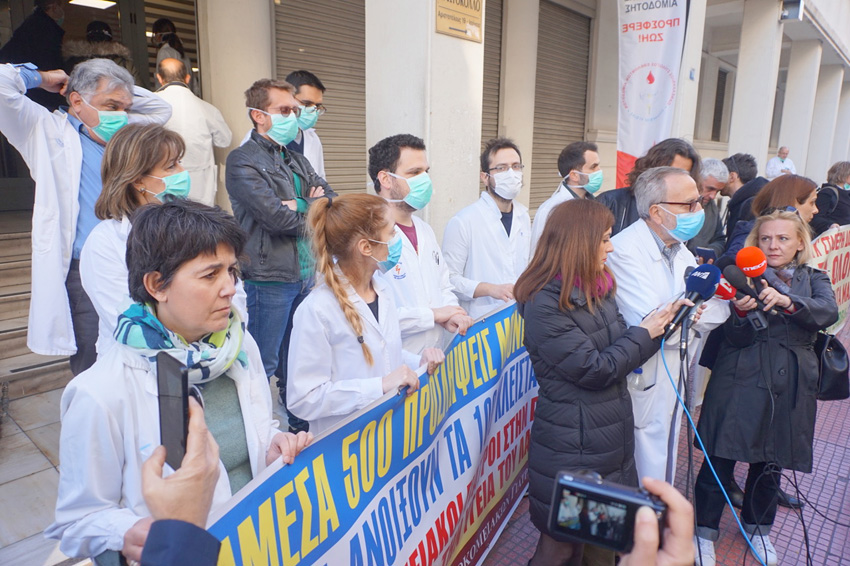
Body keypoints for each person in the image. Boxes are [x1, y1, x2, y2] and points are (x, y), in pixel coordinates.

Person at [46, 199, 313, 562]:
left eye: (232, 271)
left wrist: (274, 444)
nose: (230, 288)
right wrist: (132, 533)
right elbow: (79, 522)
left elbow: (258, 428)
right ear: (157, 285)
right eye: (209, 275)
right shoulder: (100, 392)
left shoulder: (238, 346)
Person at [515, 198, 680, 566]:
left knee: (598, 545)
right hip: (573, 446)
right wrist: (645, 333)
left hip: (606, 441)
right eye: (604, 239)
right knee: (560, 547)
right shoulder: (545, 303)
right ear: (578, 243)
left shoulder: (597, 287)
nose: (611, 246)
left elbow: (618, 348)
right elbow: (595, 370)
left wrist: (659, 325)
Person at [0, 58, 171, 374]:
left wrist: (118, 93)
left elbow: (162, 109)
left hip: (138, 261)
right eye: (111, 104)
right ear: (77, 101)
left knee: (144, 355)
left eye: (124, 106)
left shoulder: (125, 132)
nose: (119, 114)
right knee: (94, 364)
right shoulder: (44, 129)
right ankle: (92, 419)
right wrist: (43, 77)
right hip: (85, 273)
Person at [694, 209, 837, 566]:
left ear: (800, 243)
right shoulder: (737, 277)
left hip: (788, 381)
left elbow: (827, 313)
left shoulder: (813, 278)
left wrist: (788, 301)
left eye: (783, 238)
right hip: (738, 376)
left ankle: (758, 530)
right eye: (766, 238)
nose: (773, 246)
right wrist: (740, 313)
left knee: (771, 463)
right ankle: (703, 533)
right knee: (718, 458)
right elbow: (734, 338)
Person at [80, 123, 247, 357]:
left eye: (180, 162)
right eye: (171, 166)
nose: (182, 171)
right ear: (137, 179)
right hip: (144, 367)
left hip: (219, 355)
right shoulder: (105, 242)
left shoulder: (199, 226)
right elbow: (126, 317)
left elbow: (235, 298)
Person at [226, 77, 336, 432]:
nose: (294, 116)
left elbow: (330, 201)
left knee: (298, 361)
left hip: (304, 274)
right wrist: (311, 203)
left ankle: (299, 429)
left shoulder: (295, 159)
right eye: (285, 110)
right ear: (258, 116)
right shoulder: (243, 161)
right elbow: (275, 218)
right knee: (263, 364)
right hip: (268, 277)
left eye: (295, 109)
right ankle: (257, 437)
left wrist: (302, 204)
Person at [606, 167, 727, 483]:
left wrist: (690, 314)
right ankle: (645, 528)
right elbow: (657, 326)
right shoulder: (623, 251)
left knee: (664, 459)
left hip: (674, 376)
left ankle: (658, 524)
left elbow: (715, 311)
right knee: (641, 466)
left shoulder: (681, 251)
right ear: (657, 212)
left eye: (699, 202)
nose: (698, 211)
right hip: (647, 377)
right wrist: (690, 315)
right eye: (689, 204)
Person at [287, 194, 445, 435]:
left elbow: (385, 353)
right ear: (365, 247)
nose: (396, 240)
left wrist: (418, 361)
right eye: (392, 233)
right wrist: (378, 387)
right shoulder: (317, 309)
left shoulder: (383, 291)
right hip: (345, 448)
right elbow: (304, 398)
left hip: (386, 439)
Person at [370, 134, 473, 354]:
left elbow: (443, 285)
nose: (425, 180)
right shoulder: (365, 237)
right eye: (415, 173)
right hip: (392, 368)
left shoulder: (424, 230)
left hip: (432, 362)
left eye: (426, 172)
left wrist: (451, 314)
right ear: (386, 179)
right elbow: (369, 316)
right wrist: (433, 315)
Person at [442, 137, 531, 320]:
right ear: (485, 177)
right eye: (501, 168)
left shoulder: (523, 217)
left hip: (517, 321)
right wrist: (490, 289)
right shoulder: (464, 221)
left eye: (516, 166)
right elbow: (448, 279)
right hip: (481, 324)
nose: (511, 174)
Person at [156, 57, 232, 206]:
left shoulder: (150, 106)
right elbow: (225, 140)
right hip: (200, 185)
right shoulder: (206, 108)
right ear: (188, 78)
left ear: (159, 78)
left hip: (162, 180)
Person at [598, 139, 702, 236]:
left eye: (684, 174)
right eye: (672, 172)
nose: (678, 179)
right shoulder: (610, 202)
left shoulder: (687, 214)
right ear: (652, 167)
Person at [722, 174, 819, 260]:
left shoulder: (812, 275)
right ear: (793, 202)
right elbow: (730, 262)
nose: (816, 210)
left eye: (783, 238)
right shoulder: (748, 235)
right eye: (812, 202)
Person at [531, 141, 602, 252]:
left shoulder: (595, 204)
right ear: (574, 175)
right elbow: (537, 253)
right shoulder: (551, 209)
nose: (599, 171)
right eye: (593, 167)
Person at [0, 0, 65, 109]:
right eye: (61, 6)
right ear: (54, 7)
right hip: (38, 95)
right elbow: (48, 62)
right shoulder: (45, 29)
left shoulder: (31, 25)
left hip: (29, 90)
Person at [63, 21, 145, 85]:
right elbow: (141, 92)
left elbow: (66, 91)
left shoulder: (73, 63)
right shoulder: (124, 63)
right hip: (118, 105)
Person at [285, 69, 327, 178]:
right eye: (307, 104)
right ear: (288, 98)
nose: (313, 111)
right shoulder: (261, 137)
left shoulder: (313, 139)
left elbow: (321, 180)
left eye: (317, 106)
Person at [686, 158, 728, 258]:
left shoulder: (712, 207)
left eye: (717, 191)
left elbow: (719, 239)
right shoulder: (674, 203)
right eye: (710, 189)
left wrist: (710, 252)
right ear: (697, 179)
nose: (713, 196)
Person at [721, 153, 768, 236]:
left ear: (732, 177)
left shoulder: (750, 206)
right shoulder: (746, 201)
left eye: (721, 174)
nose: (718, 178)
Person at [152, 18, 198, 95]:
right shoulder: (183, 53)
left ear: (160, 35)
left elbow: (161, 84)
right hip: (187, 98)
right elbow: (195, 86)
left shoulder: (164, 52)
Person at [810, 161, 850, 236]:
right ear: (844, 175)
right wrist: (830, 225)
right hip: (831, 239)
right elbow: (816, 218)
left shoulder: (846, 192)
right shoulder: (828, 193)